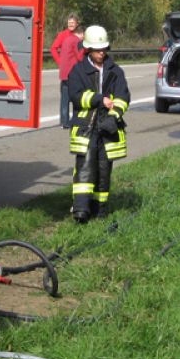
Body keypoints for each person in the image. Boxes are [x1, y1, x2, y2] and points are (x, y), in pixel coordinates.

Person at [67, 25, 130, 223]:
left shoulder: (116, 71)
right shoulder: (78, 71)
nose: (102, 52)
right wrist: (99, 99)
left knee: (104, 169)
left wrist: (113, 116)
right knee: (85, 167)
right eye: (97, 49)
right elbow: (76, 97)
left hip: (107, 127)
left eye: (104, 49)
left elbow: (123, 97)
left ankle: (100, 209)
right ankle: (81, 210)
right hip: (86, 127)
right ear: (88, 49)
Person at [50, 15, 79, 128]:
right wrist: (60, 62)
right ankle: (64, 122)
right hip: (66, 72)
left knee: (77, 98)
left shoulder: (79, 35)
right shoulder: (62, 35)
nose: (70, 24)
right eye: (69, 22)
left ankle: (76, 120)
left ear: (77, 24)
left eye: (73, 23)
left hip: (76, 72)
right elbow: (53, 48)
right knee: (65, 99)